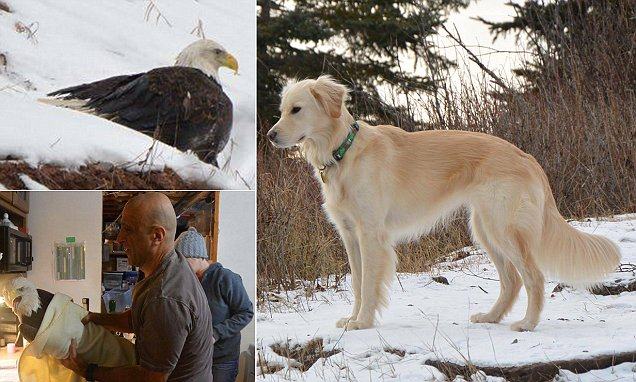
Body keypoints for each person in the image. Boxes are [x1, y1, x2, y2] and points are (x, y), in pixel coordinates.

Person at [60, 192, 214, 381]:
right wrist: (92, 318)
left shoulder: (166, 297)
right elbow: (135, 320)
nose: (119, 239)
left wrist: (87, 371)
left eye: (129, 230)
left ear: (157, 236)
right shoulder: (171, 265)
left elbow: (151, 378)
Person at [175, 227, 254, 382]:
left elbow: (246, 313)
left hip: (222, 359)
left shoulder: (226, 278)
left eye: (185, 261)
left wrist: (216, 333)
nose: (181, 266)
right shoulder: (188, 281)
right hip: (195, 357)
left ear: (198, 256)